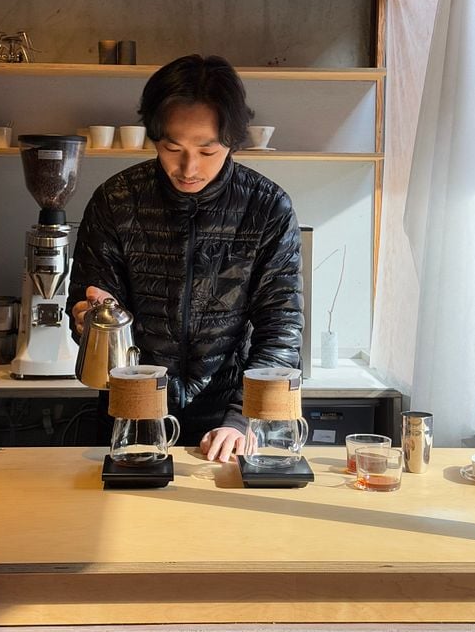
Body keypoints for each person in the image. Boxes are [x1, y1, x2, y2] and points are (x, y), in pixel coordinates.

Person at [67, 54, 304, 462]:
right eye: (171, 147)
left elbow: (280, 329)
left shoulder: (267, 208)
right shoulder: (117, 201)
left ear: (232, 140)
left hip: (228, 420)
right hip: (132, 415)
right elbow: (92, 319)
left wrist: (241, 421)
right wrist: (89, 325)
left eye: (207, 150)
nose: (188, 167)